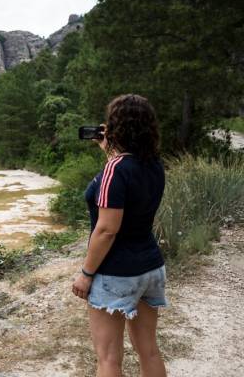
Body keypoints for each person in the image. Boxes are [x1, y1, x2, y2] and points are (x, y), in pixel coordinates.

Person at [72, 94, 168, 377]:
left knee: (109, 359)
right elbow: (126, 177)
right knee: (148, 350)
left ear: (115, 126)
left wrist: (86, 274)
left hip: (116, 272)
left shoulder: (115, 169)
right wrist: (110, 151)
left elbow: (107, 229)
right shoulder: (154, 164)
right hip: (150, 266)